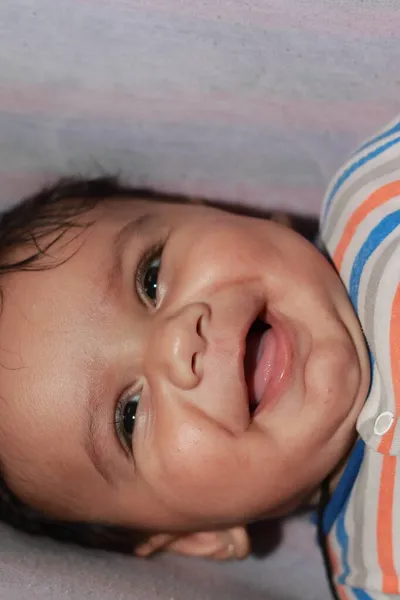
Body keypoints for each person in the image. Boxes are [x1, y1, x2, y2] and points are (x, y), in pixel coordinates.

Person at [0, 115, 398, 599]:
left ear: (215, 211)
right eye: (129, 416)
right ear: (200, 537)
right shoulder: (374, 578)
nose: (176, 344)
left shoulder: (377, 195)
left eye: (150, 278)